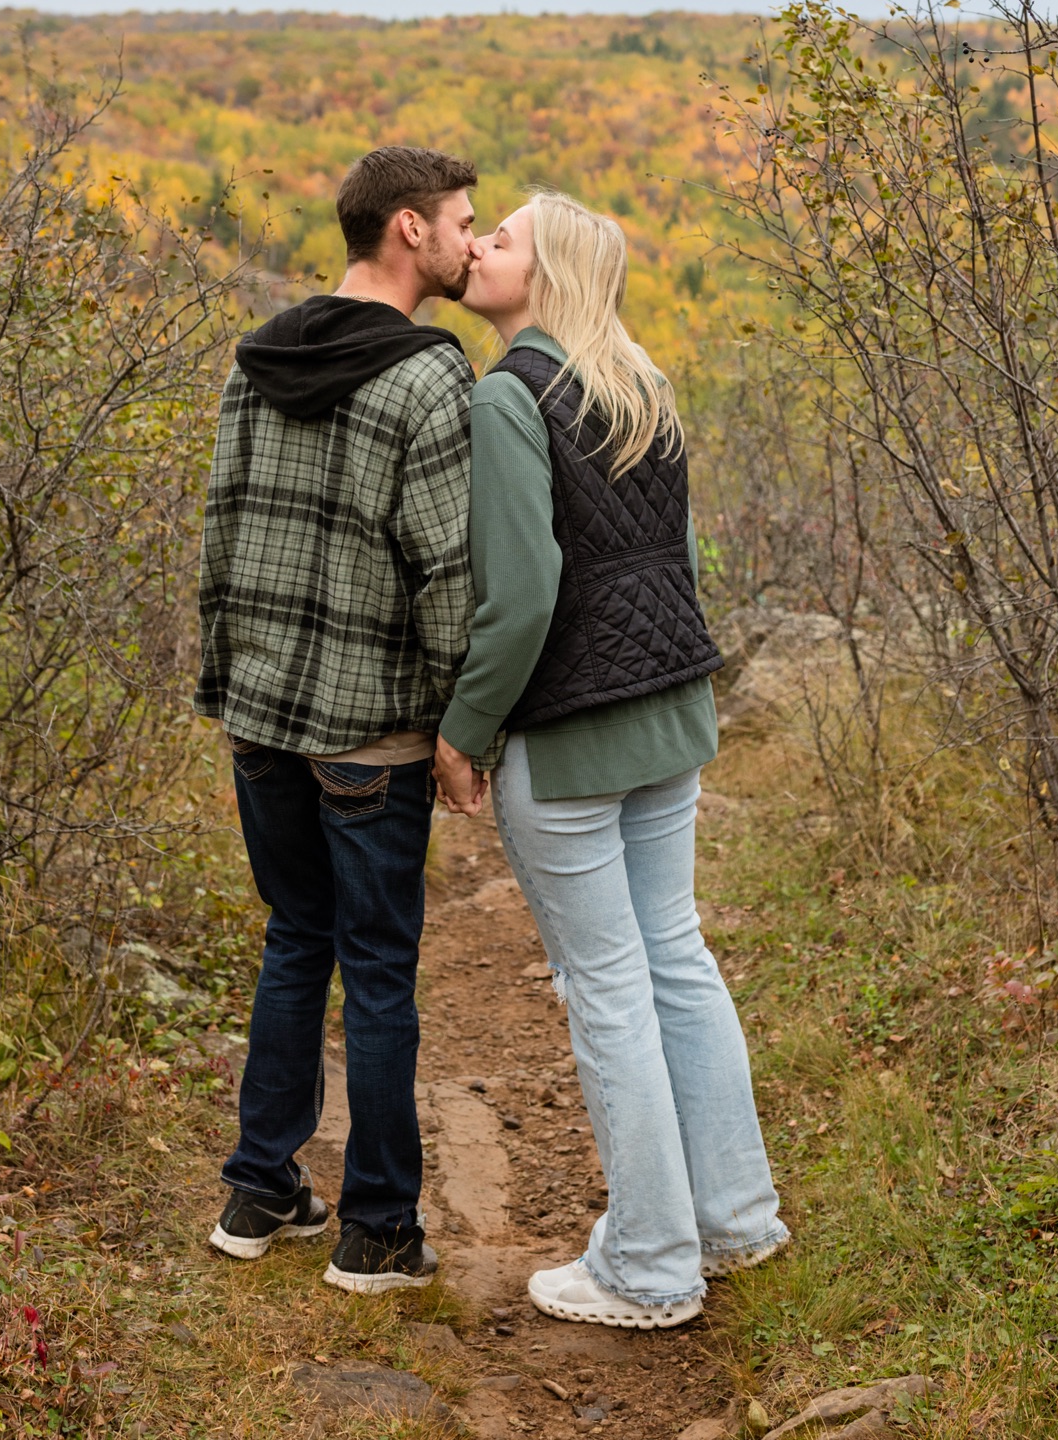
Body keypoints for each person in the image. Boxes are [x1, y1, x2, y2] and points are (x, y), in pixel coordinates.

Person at [432, 191, 788, 1330]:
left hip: (575, 734)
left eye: (502, 238)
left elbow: (521, 589)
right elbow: (678, 561)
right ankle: (734, 1216)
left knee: (609, 993)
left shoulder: (506, 397)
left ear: (544, 276)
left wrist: (466, 726)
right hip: (670, 716)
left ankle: (648, 1263)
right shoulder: (643, 381)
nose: (478, 246)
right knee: (674, 958)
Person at [195, 144, 479, 1294]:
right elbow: (449, 572)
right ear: (407, 229)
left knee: (292, 940)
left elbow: (221, 536)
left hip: (261, 716)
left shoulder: (256, 357)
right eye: (462, 219)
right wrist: (465, 725)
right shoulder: (427, 376)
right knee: (375, 968)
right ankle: (376, 1229)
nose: (471, 237)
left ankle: (260, 1188)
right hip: (371, 735)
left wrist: (231, 686)